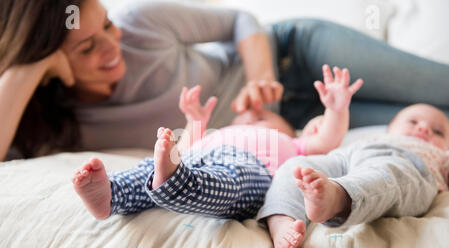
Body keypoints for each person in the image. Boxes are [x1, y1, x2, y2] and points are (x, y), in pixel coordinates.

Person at [2, 0, 449, 162]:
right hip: (300, 122)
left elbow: (240, 18)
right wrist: (27, 68)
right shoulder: (63, 128)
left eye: (106, 26)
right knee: (431, 130)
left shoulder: (141, 22)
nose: (111, 45)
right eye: (86, 48)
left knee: (441, 91)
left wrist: (260, 78)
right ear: (49, 68)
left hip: (297, 55)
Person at [72, 66, 363, 220]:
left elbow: (327, 140)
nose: (253, 118)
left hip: (253, 170)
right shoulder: (216, 133)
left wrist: (336, 109)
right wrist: (195, 123)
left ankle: (177, 182)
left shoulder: (292, 144)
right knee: (151, 167)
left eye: (263, 119)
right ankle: (112, 194)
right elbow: (186, 149)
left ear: (291, 132)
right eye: (246, 119)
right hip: (196, 159)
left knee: (230, 182)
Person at [259, 103, 449, 248]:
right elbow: (328, 140)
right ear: (390, 128)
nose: (424, 128)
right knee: (298, 166)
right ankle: (283, 219)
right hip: (349, 156)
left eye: (438, 132)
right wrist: (317, 127)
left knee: (384, 177)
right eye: (413, 121)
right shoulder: (371, 136)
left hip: (407, 163)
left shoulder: (441, 156)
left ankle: (336, 197)